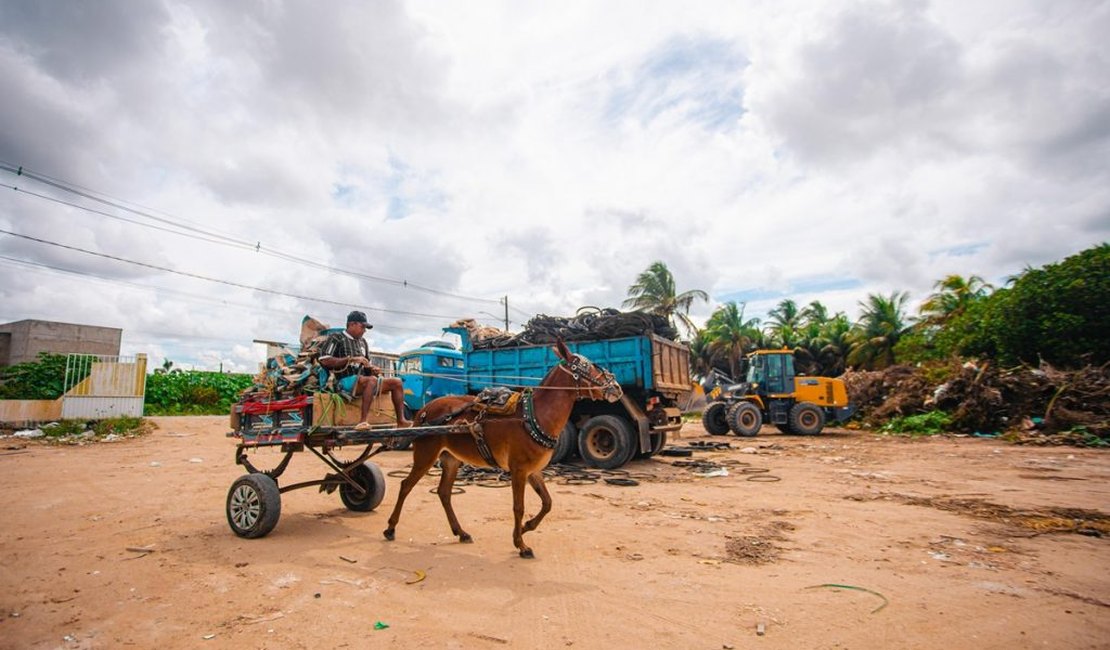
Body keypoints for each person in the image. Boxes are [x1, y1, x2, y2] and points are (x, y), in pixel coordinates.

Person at [317, 310, 412, 430]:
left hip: (364, 382)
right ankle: (362, 421)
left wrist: (373, 369)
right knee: (371, 381)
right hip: (345, 381)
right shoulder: (336, 338)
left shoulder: (363, 343)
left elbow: (367, 368)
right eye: (362, 327)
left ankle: (401, 421)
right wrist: (350, 360)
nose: (364, 331)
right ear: (352, 325)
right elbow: (324, 360)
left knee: (396, 382)